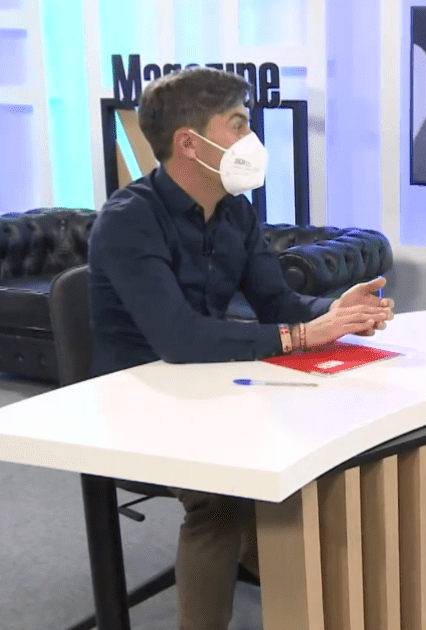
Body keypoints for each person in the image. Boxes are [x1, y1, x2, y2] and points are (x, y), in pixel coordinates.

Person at [88, 67, 394, 629]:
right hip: (135, 398)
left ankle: (287, 580)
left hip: (210, 384)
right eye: (237, 124)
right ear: (189, 143)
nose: (251, 139)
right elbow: (179, 338)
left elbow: (277, 302)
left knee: (313, 452)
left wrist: (334, 312)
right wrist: (300, 336)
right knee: (221, 497)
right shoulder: (129, 220)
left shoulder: (236, 211)